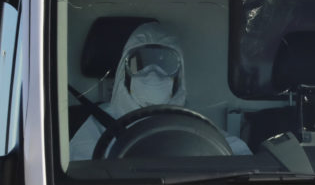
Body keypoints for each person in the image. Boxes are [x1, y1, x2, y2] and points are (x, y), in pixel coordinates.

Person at [70, 22, 251, 160]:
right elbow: (79, 169)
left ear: (179, 73)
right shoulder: (99, 123)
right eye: (141, 64)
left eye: (165, 63)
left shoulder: (193, 122)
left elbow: (236, 158)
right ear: (123, 72)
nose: (153, 73)